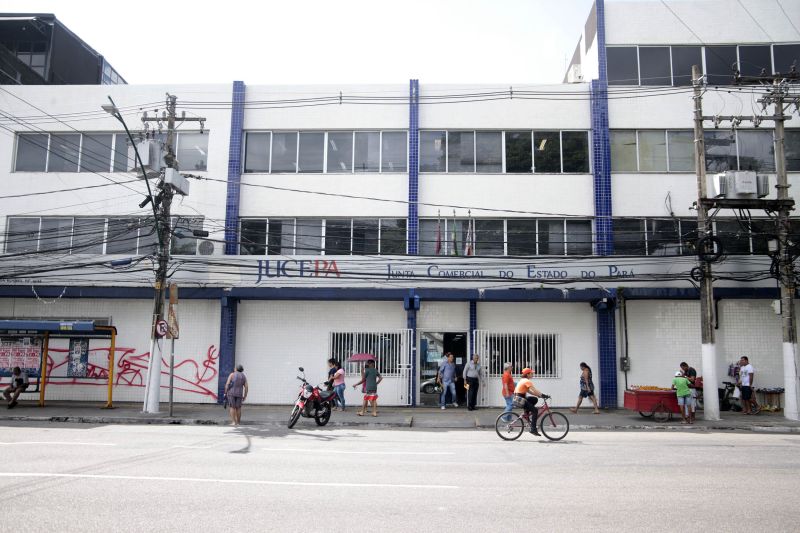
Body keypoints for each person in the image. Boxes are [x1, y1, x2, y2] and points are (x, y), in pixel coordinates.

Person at [514, 367, 545, 436]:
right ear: (527, 374)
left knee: (534, 399)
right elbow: (534, 389)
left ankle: (526, 414)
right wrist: (542, 395)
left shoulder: (522, 380)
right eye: (531, 373)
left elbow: (530, 391)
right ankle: (533, 429)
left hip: (518, 399)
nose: (532, 374)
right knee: (535, 411)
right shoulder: (527, 381)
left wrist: (538, 396)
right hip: (520, 400)